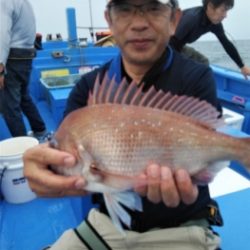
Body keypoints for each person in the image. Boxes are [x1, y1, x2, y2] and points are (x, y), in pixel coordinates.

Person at [23, 0, 223, 249]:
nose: (139, 23)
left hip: (181, 225)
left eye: (153, 8)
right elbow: (65, 159)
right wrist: (45, 170)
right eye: (125, 9)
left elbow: (206, 156)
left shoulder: (198, 77)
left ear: (174, 20)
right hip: (107, 224)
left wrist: (199, 178)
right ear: (109, 20)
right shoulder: (87, 88)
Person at [0, 0, 48, 139]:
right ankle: (40, 131)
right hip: (25, 56)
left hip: (12, 59)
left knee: (9, 106)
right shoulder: (24, 3)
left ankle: (22, 146)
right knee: (23, 97)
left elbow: (2, 33)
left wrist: (0, 66)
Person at [170, 0, 250, 79]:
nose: (225, 15)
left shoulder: (214, 24)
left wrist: (242, 67)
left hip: (178, 46)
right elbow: (171, 41)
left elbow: (226, 44)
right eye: (223, 10)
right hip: (166, 45)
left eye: (227, 11)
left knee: (202, 61)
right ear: (210, 6)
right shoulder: (192, 19)